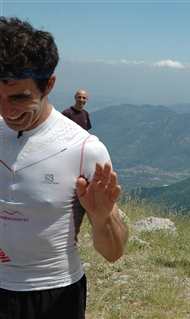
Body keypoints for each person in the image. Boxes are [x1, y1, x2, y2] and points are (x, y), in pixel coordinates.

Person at [0, 17, 128, 319]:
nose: (6, 110)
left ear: (49, 85)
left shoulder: (85, 149)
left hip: (54, 293)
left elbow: (114, 253)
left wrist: (101, 217)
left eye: (19, 97)